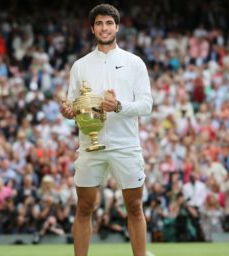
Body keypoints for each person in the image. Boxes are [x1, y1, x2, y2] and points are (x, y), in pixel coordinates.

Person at [61, 4, 152, 256]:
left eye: (109, 23)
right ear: (92, 28)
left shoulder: (134, 63)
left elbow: (147, 105)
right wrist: (68, 112)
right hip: (90, 145)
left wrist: (119, 106)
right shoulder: (79, 66)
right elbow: (73, 104)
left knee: (134, 206)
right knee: (84, 207)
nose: (104, 28)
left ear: (117, 27)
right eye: (99, 23)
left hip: (125, 144)